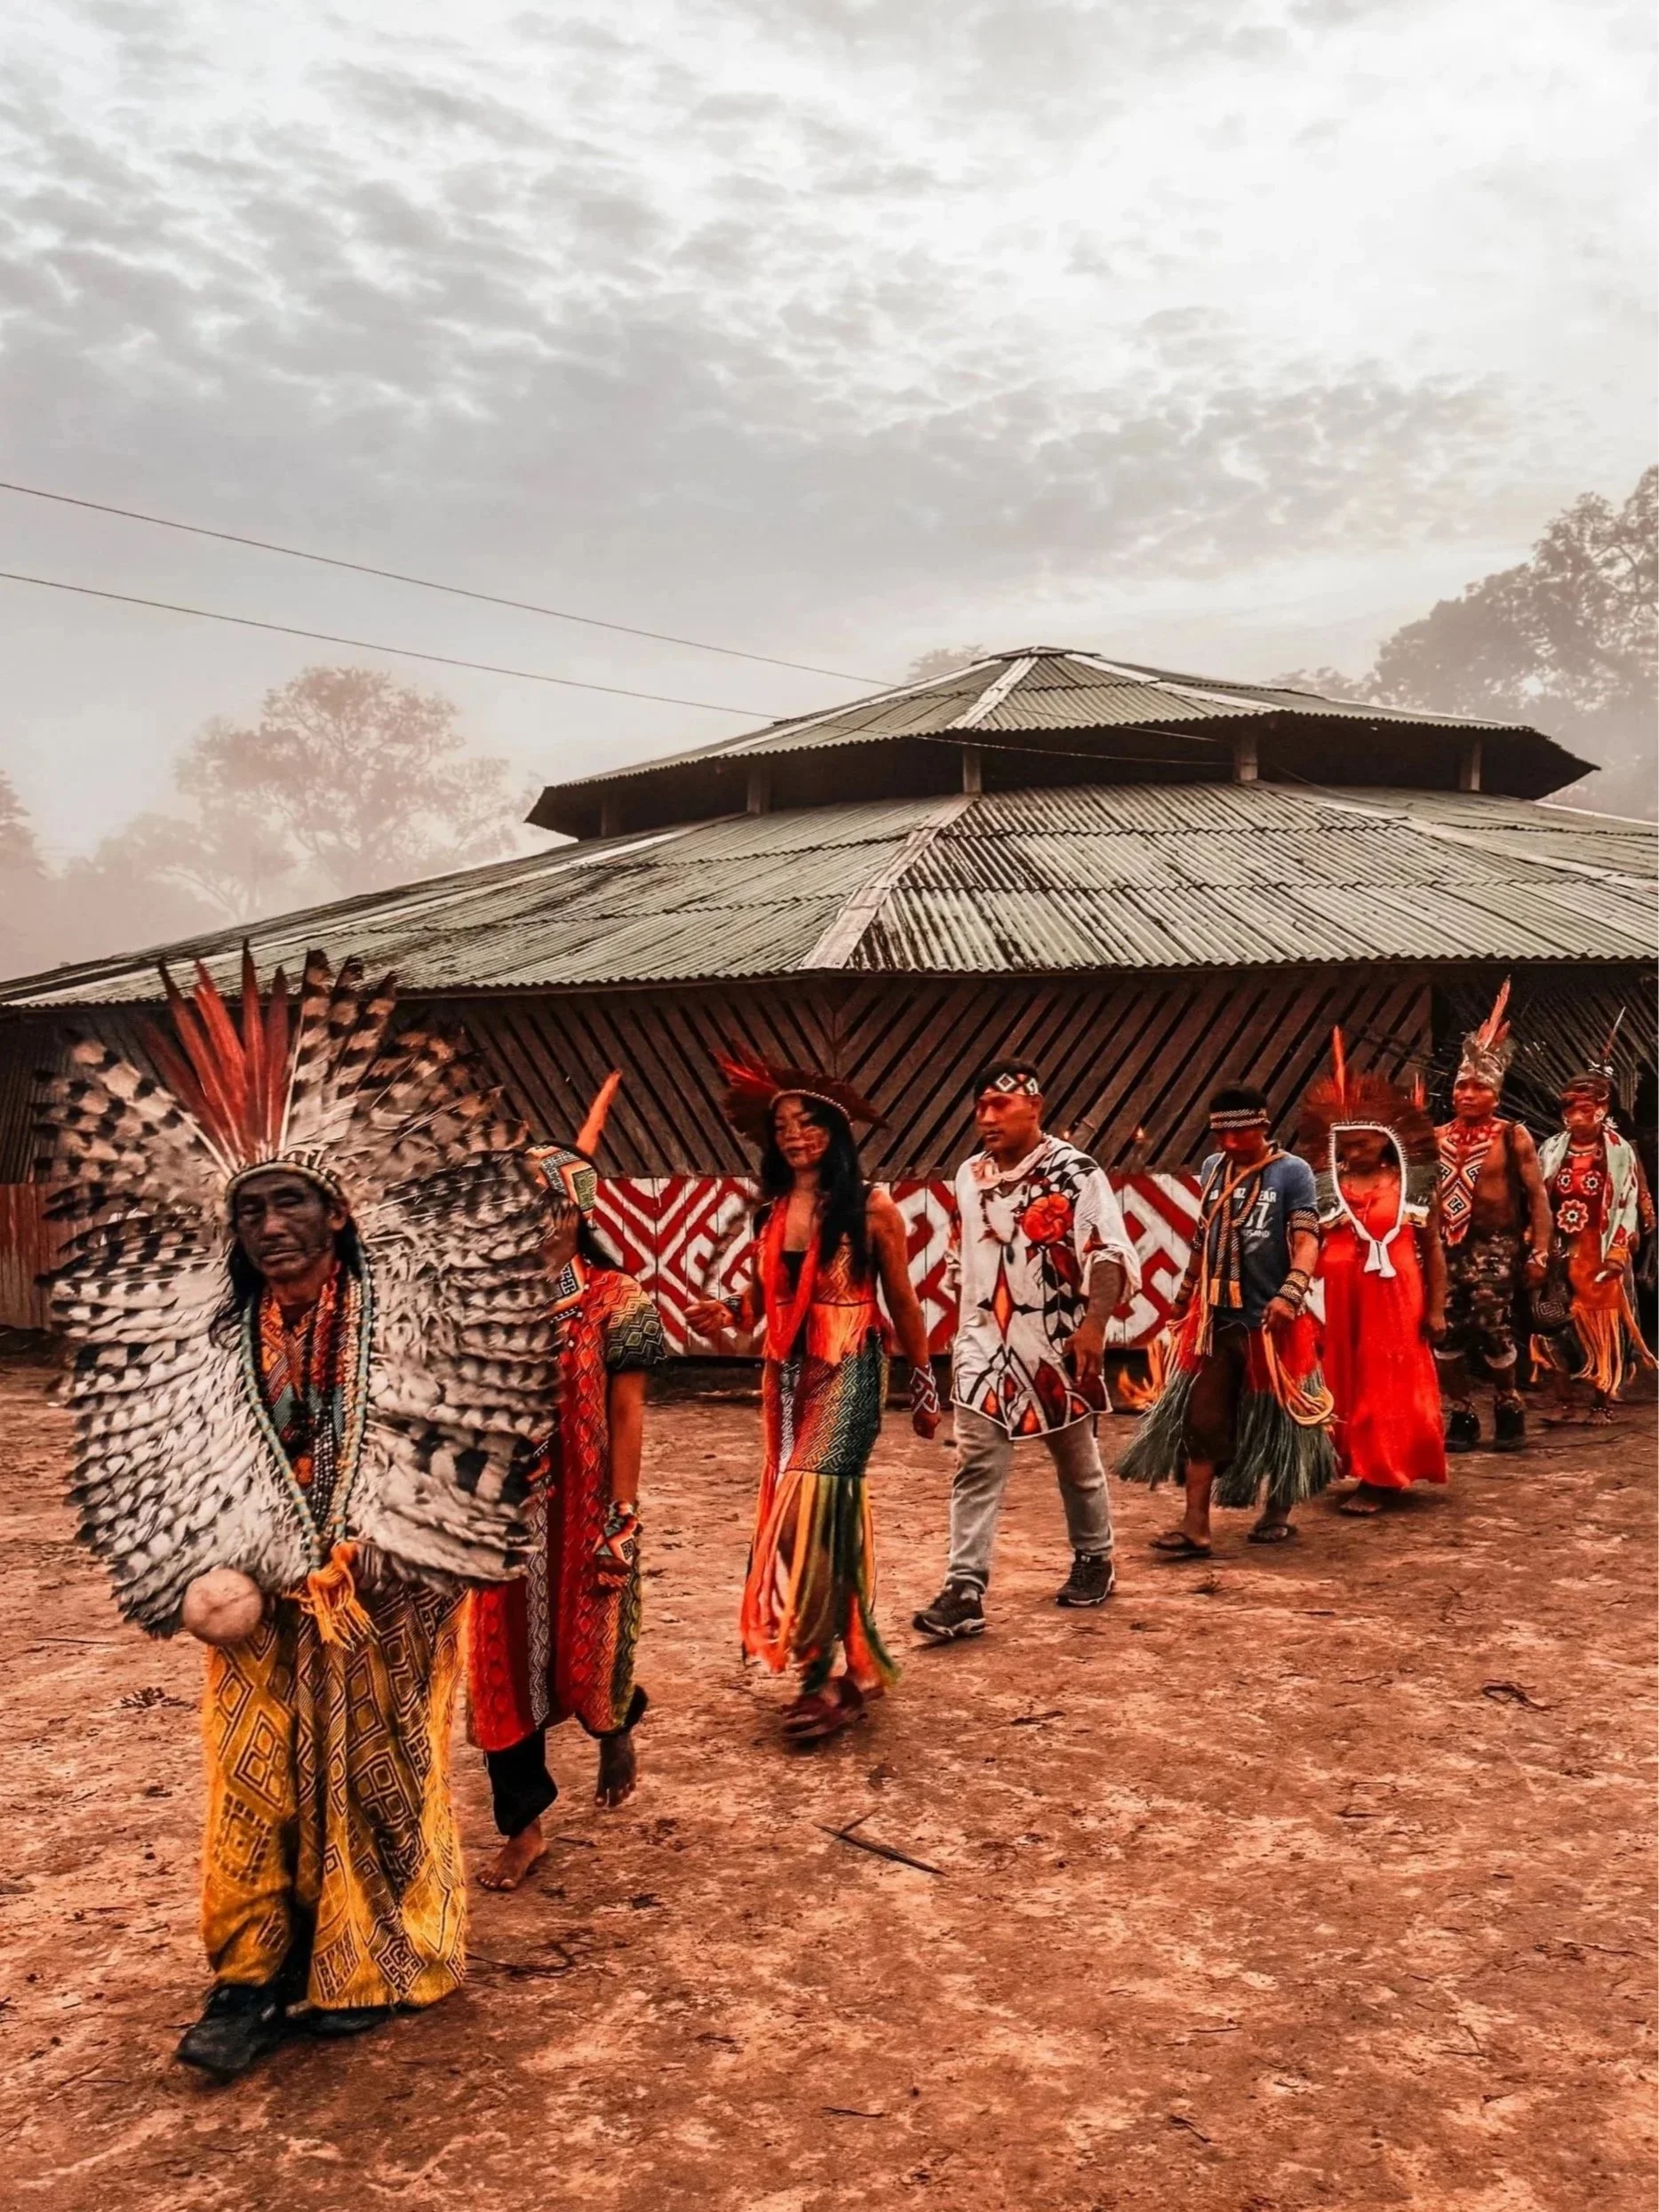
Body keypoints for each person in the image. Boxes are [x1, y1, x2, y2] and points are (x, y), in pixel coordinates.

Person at [44, 949, 556, 2081]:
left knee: (381, 1771)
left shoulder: (409, 1307)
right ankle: (249, 1973)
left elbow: (480, 1427)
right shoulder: (209, 1335)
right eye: (250, 1209)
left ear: (335, 1210)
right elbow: (166, 1452)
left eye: (289, 1201)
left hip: (390, 1587)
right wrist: (221, 1560)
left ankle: (372, 1960)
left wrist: (378, 1540)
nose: (270, 1223)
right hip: (262, 1595)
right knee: (255, 1773)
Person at [686, 1050, 940, 1743]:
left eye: (807, 1123)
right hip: (788, 1379)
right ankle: (854, 1666)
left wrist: (922, 1386)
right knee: (806, 1523)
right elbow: (768, 1291)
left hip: (851, 1366)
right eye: (783, 1126)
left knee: (808, 1514)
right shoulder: (770, 1207)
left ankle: (824, 1675)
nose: (795, 1136)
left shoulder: (870, 1204)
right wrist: (728, 1311)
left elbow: (905, 1300)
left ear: (834, 1129)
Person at [467, 1075, 667, 1889]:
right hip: (501, 1518)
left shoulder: (616, 1300)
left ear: (578, 1215)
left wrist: (622, 1514)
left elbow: (625, 1416)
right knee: (499, 1668)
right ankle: (525, 1824)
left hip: (582, 1507)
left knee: (588, 1651)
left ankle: (618, 1719)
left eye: (547, 1209)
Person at [913, 1059, 1141, 1642]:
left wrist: (1093, 1325)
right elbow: (963, 1258)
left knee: (1075, 1458)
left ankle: (1095, 1556)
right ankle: (964, 1587)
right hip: (983, 1342)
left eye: (1000, 1105)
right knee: (976, 1462)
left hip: (1054, 1339)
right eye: (980, 1105)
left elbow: (1108, 1249)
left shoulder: (1073, 1171)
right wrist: (960, 1334)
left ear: (1034, 1107)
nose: (986, 1116)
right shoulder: (970, 1174)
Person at [1120, 1083, 1336, 1553]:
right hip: (1215, 1321)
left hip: (1272, 1320)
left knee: (1281, 1419)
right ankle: (1196, 1525)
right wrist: (1183, 1296)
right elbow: (1205, 1236)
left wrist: (1291, 1291)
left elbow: (1308, 1237)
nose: (1230, 1145)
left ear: (1262, 1126)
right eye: (1222, 1136)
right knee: (1203, 1418)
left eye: (1240, 1134)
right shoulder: (1214, 1168)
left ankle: (1278, 1510)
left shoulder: (1292, 1173)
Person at [1298, 1038, 1448, 1515]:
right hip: (1342, 1297)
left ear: (1385, 1141)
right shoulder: (1326, 1186)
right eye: (1345, 1145)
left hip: (1394, 1295)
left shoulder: (1411, 1185)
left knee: (1389, 1377)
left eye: (1362, 1144)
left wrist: (1439, 1307)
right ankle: (1357, 1462)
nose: (1353, 1152)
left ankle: (1383, 1474)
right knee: (1348, 1376)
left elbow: (1433, 1246)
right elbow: (1308, 1241)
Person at [1434, 983, 1552, 1453]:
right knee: (1443, 1328)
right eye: (1461, 1085)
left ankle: (1508, 1401)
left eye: (1478, 1086)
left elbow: (1538, 1198)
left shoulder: (1513, 1136)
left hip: (1496, 1245)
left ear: (1495, 1095)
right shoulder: (1435, 1136)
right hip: (1445, 1247)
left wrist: (1540, 1251)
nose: (1467, 1093)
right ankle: (1461, 1412)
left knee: (1491, 1322)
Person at [1533, 1062, 1655, 1420]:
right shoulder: (1551, 1150)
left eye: (1588, 1108)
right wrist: (1537, 1238)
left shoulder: (1618, 1152)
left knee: (1605, 1325)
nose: (1579, 1116)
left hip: (1599, 1249)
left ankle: (1602, 1401)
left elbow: (1629, 1200)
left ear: (1604, 1110)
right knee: (1552, 1322)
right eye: (1572, 1109)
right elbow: (1538, 1198)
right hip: (1560, 1248)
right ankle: (1563, 1400)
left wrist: (1619, 1248)